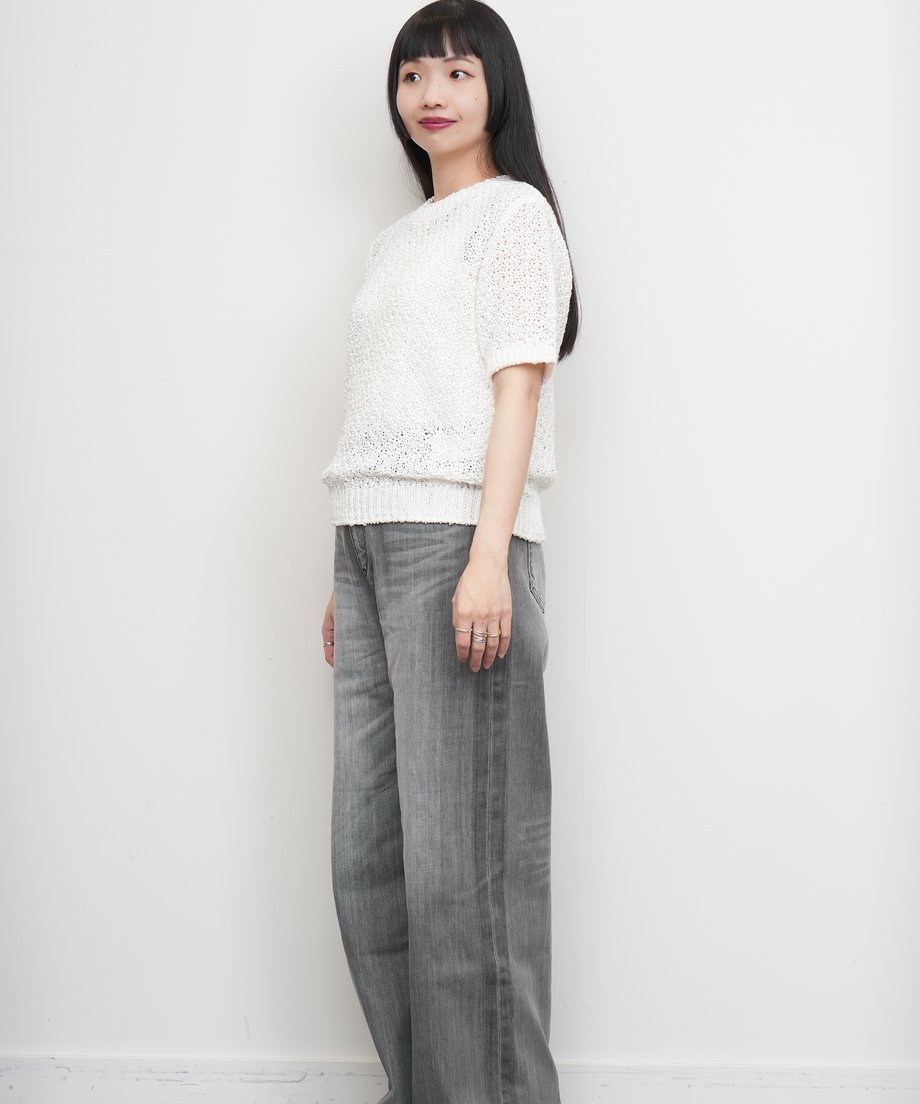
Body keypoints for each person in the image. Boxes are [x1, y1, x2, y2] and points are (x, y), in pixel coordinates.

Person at [319, 1, 580, 1099]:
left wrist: (486, 557)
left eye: (458, 72)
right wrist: (344, 568)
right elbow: (385, 395)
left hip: (456, 544)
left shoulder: (514, 215)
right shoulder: (396, 239)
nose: (431, 93)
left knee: (460, 879)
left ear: (495, 89)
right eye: (413, 74)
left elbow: (518, 391)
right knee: (369, 866)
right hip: (367, 548)